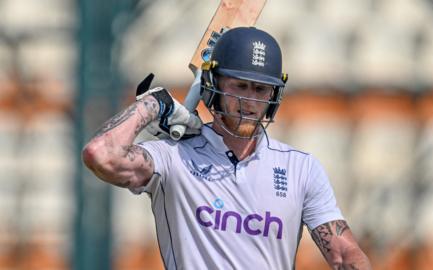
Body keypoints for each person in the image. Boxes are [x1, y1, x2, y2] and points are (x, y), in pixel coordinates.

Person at [82, 27, 372, 270]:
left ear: (273, 95)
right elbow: (100, 155)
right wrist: (154, 104)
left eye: (260, 90)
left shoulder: (300, 169)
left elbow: (344, 253)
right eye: (240, 86)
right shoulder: (173, 157)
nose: (250, 101)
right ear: (212, 84)